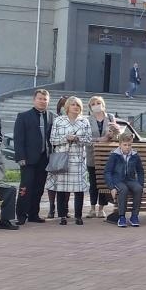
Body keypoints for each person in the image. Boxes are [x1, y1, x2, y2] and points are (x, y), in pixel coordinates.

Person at [46, 96, 92, 225]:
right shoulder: (59, 120)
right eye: (73, 104)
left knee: (79, 189)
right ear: (67, 107)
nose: (75, 107)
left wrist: (77, 139)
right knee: (61, 188)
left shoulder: (85, 121)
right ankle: (62, 216)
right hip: (62, 159)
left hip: (78, 159)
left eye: (78, 105)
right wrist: (66, 138)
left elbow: (89, 141)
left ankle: (78, 216)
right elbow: (52, 140)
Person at [13, 89, 52, 225]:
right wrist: (20, 157)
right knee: (26, 187)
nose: (42, 101)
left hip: (44, 158)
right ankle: (21, 215)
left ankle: (33, 214)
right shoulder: (23, 116)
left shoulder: (52, 117)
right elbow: (18, 139)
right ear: (34, 100)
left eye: (45, 99)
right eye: (40, 99)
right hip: (28, 159)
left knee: (39, 188)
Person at [86, 95, 121, 217]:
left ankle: (101, 209)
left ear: (103, 105)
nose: (96, 105)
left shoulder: (110, 117)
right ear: (90, 107)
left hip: (107, 155)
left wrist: (115, 132)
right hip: (93, 154)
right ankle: (92, 208)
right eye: (93, 104)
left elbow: (117, 136)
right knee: (93, 183)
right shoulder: (88, 120)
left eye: (98, 103)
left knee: (104, 182)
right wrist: (99, 139)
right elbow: (85, 138)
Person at [104, 131, 144, 227]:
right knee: (123, 189)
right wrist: (111, 187)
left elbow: (140, 171)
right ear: (120, 145)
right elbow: (108, 172)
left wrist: (141, 184)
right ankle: (121, 217)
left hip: (130, 180)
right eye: (125, 145)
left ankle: (134, 216)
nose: (127, 147)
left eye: (129, 145)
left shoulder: (135, 155)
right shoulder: (114, 155)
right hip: (118, 180)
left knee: (138, 189)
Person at [46, 95, 70, 218]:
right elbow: (50, 137)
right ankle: (52, 207)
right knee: (52, 183)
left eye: (67, 105)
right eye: (62, 105)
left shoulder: (76, 120)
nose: (64, 108)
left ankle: (65, 208)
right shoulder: (54, 119)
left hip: (70, 155)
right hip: (55, 154)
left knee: (67, 184)